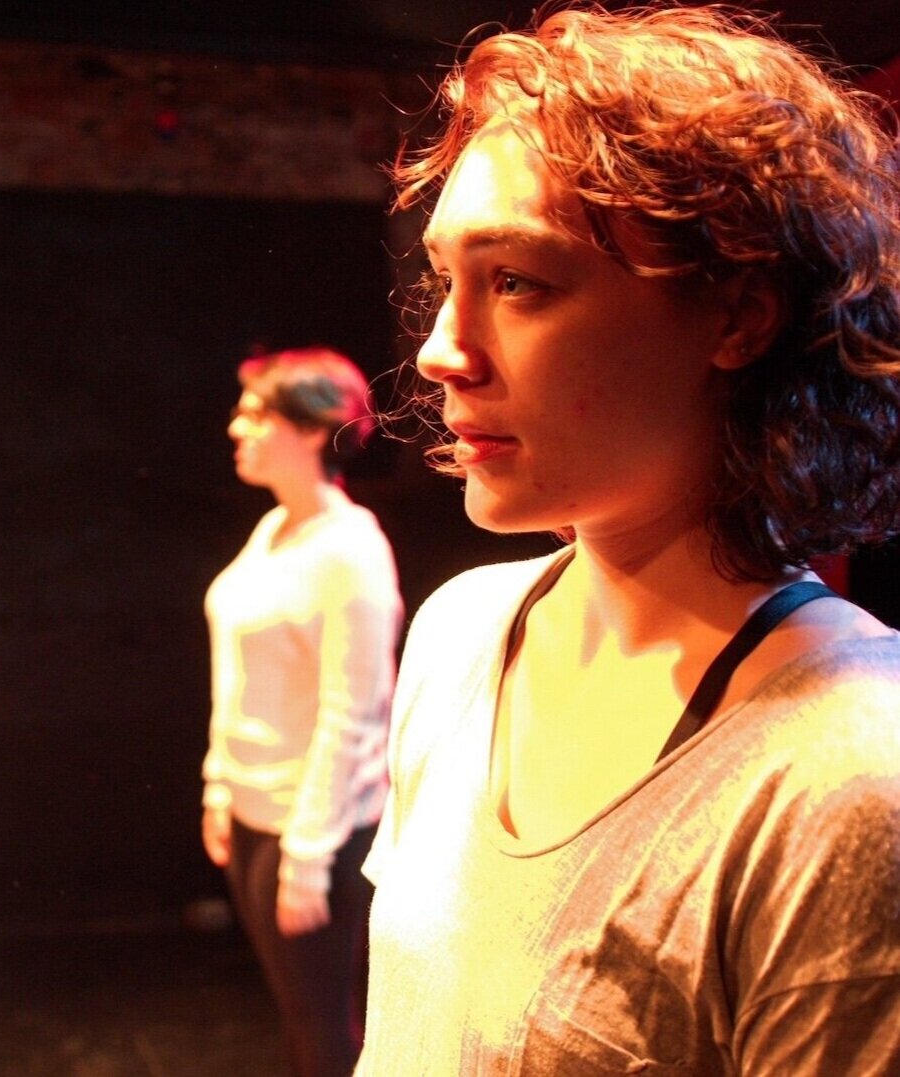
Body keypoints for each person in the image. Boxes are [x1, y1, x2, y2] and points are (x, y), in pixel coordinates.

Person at [358, 5, 900, 1074]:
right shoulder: (460, 635)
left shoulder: (846, 782)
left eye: (518, 281)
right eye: (443, 279)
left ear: (736, 317)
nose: (439, 351)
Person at [201, 346, 403, 1077]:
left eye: (259, 414)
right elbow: (239, 671)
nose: (237, 427)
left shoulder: (349, 550)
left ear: (315, 430)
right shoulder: (274, 531)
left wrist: (310, 858)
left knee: (325, 1034)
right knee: (298, 1021)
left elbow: (354, 713)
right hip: (256, 813)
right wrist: (219, 784)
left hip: (315, 829)